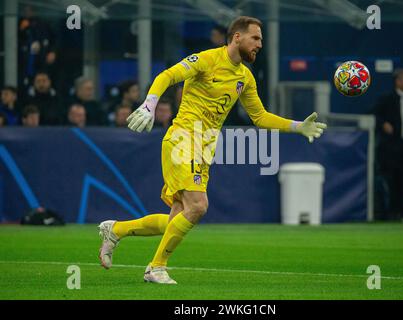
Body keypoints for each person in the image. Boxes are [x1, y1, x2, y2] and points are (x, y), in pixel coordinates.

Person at [98, 16, 327, 284]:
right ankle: (156, 268)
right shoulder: (207, 59)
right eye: (256, 38)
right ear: (237, 37)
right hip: (183, 139)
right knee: (198, 206)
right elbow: (168, 75)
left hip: (204, 147)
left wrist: (297, 126)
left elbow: (260, 116)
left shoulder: (245, 77)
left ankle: (116, 230)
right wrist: (150, 103)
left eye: (261, 40)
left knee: (178, 217)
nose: (259, 45)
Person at [373, 68, 403, 220]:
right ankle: (392, 214)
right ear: (398, 81)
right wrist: (383, 124)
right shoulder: (387, 99)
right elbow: (374, 115)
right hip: (391, 149)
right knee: (392, 182)